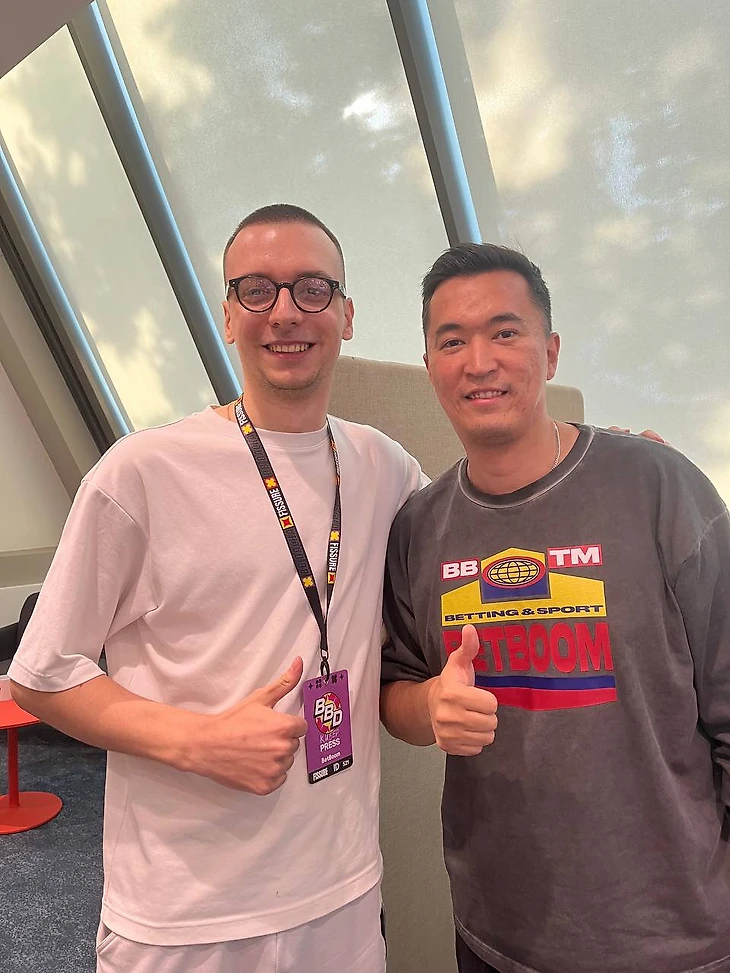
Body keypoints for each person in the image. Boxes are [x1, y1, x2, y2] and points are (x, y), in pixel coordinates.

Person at [9, 204, 425, 973]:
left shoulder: (385, 467)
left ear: (347, 313)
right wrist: (197, 740)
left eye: (312, 288)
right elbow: (42, 673)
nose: (286, 311)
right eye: (257, 289)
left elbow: (481, 528)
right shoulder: (142, 472)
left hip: (340, 893)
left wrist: (598, 460)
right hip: (186, 914)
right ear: (228, 315)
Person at [380, 242, 730, 973]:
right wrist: (431, 707)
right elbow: (396, 692)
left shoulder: (659, 488)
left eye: (504, 332)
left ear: (551, 351)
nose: (480, 361)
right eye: (453, 341)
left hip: (676, 941)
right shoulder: (419, 527)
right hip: (497, 936)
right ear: (431, 365)